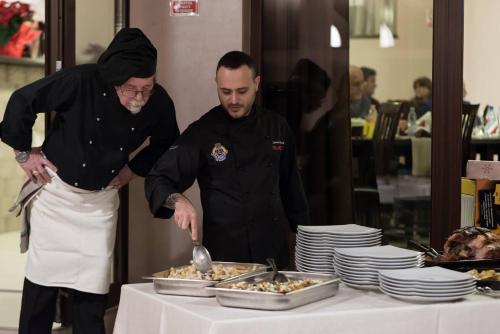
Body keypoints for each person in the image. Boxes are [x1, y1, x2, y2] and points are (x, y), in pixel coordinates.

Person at [0, 28, 179, 333]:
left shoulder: (158, 101)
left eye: (146, 88)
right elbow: (22, 100)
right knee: (40, 292)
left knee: (91, 297)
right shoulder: (80, 80)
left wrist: (132, 170)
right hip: (56, 197)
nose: (139, 97)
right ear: (113, 80)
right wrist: (23, 154)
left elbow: (167, 141)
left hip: (98, 208)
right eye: (131, 89)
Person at [145, 51, 309, 269]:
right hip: (225, 254)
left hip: (272, 251)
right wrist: (178, 201)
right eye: (225, 92)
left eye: (242, 91)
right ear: (217, 85)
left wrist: (306, 244)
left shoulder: (277, 126)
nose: (233, 100)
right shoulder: (203, 132)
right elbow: (158, 178)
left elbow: (292, 189)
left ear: (256, 83)